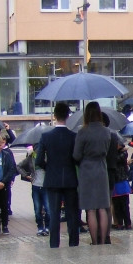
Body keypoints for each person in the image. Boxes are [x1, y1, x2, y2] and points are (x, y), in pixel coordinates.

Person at [36, 102, 81, 248]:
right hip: (70, 178)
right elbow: (77, 158)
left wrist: (48, 168)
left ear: (55, 116)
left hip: (52, 178)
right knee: (72, 213)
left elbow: (38, 160)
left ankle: (54, 243)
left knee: (54, 213)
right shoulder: (73, 136)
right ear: (68, 116)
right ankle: (73, 241)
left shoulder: (46, 136)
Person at [73, 101, 113, 245]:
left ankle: (94, 241)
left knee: (90, 209)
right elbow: (107, 150)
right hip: (102, 168)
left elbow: (76, 155)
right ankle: (103, 239)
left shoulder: (83, 131)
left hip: (86, 170)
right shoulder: (106, 131)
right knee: (102, 207)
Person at [17, 145, 50, 236]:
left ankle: (47, 227)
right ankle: (40, 227)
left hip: (46, 186)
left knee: (48, 209)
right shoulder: (30, 158)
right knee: (37, 209)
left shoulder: (48, 157)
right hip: (35, 186)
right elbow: (19, 166)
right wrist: (26, 175)